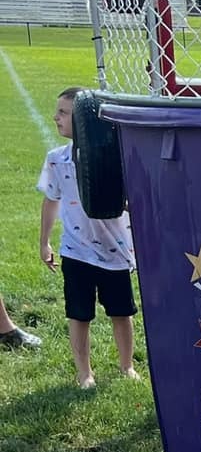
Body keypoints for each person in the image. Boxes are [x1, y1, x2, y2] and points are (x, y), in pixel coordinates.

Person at [39, 87, 137, 389]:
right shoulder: (57, 159)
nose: (56, 117)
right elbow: (50, 200)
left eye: (64, 113)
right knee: (79, 314)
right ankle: (84, 372)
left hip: (116, 251)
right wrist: (44, 242)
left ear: (84, 121)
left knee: (121, 312)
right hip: (76, 251)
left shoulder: (116, 157)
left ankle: (127, 366)